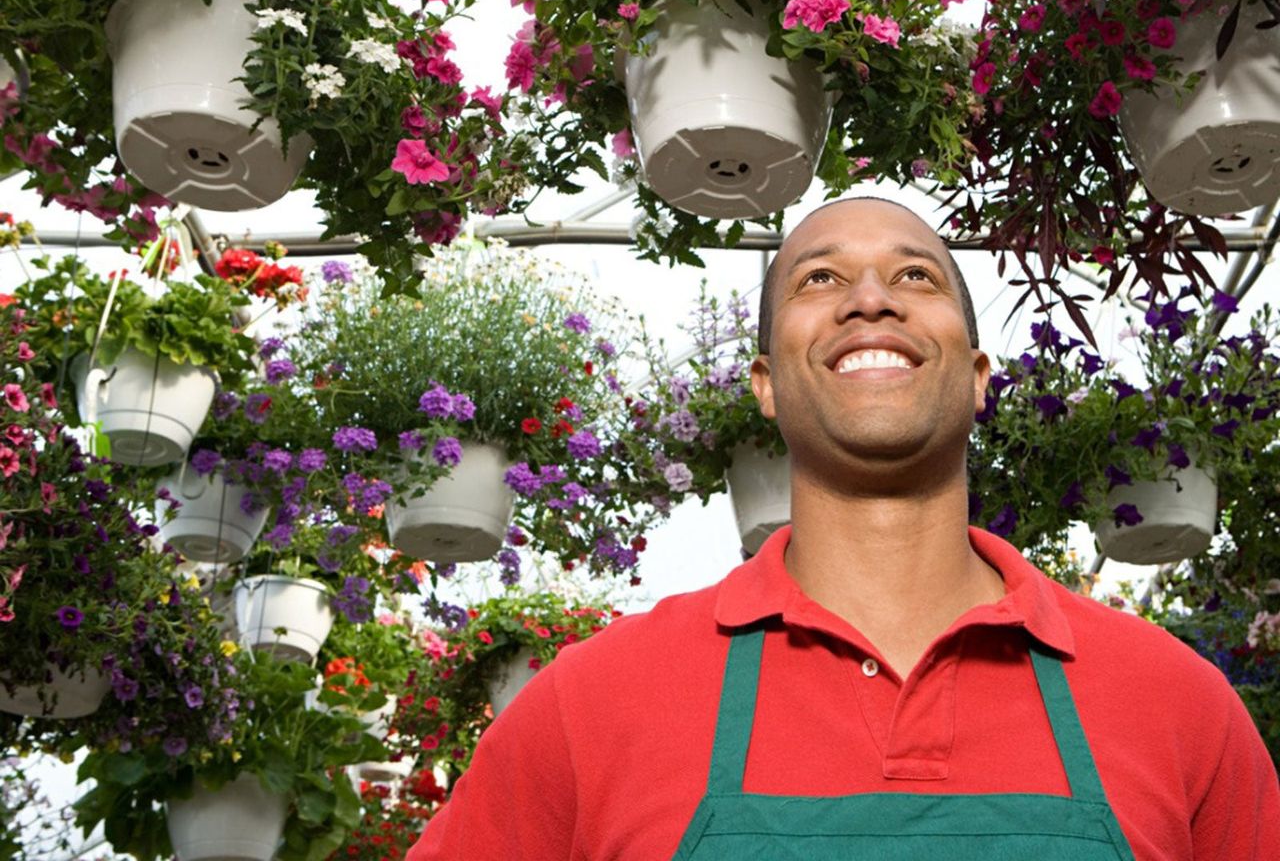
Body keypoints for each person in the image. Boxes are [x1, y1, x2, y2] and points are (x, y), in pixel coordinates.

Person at [408, 197, 1280, 860]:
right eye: (820, 278)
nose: (870, 300)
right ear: (765, 385)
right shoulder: (590, 706)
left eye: (916, 277)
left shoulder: (1174, 704)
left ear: (979, 378)